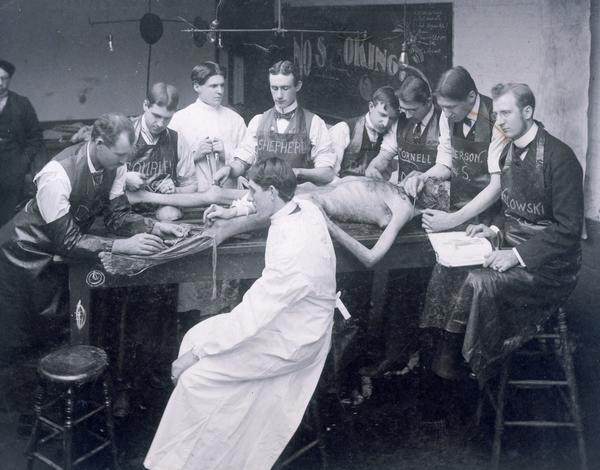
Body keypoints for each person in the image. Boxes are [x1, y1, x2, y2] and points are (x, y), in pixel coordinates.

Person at [144, 158, 337, 470]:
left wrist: (195, 355)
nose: (249, 196)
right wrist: (237, 209)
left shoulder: (293, 251)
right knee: (196, 334)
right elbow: (257, 204)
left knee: (196, 377)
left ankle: (189, 463)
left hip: (296, 339)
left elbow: (252, 317)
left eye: (253, 191)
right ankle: (219, 438)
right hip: (288, 319)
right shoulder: (303, 206)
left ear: (273, 191)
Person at [420, 83, 583, 385]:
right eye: (496, 114)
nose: (500, 121)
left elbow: (569, 230)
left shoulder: (560, 158)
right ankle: (448, 365)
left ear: (528, 112)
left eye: (507, 113)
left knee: (478, 282)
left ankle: (467, 370)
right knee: (448, 270)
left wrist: (517, 255)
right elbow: (509, 205)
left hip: (550, 268)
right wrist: (493, 228)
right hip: (511, 246)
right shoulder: (509, 151)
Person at [0, 113, 185, 365]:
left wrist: (153, 226)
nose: (124, 161)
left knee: (57, 328)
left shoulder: (116, 166)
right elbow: (67, 241)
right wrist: (120, 245)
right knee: (23, 335)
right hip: (21, 253)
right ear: (99, 144)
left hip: (52, 248)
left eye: (127, 155)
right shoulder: (57, 174)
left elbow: (117, 216)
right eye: (120, 155)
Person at [402, 66, 506, 232]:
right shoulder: (447, 115)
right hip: (460, 205)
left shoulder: (498, 119)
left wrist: (452, 220)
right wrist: (423, 177)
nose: (446, 113)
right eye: (442, 107)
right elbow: (445, 163)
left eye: (451, 107)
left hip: (492, 212)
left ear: (471, 96)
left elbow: (497, 187)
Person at [213, 59, 337, 187]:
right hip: (261, 196)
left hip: (298, 195)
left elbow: (327, 174)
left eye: (285, 88)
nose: (279, 95)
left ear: (298, 86)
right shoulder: (258, 121)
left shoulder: (314, 123)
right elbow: (243, 161)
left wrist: (299, 172)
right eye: (274, 88)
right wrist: (229, 169)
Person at [124, 82, 198, 221]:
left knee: (169, 215)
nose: (160, 124)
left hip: (162, 210)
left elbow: (192, 186)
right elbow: (98, 177)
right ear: (145, 105)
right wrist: (124, 178)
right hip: (124, 209)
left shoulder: (178, 140)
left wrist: (176, 190)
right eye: (156, 116)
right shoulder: (124, 133)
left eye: (167, 118)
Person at [168, 62, 247, 191]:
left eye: (222, 85)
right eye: (213, 86)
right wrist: (194, 155)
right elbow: (167, 164)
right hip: (192, 198)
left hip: (228, 198)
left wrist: (225, 154)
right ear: (197, 86)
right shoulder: (179, 119)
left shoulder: (235, 120)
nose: (220, 91)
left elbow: (248, 159)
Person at [366, 74, 442, 184]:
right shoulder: (400, 119)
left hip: (434, 196)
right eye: (403, 109)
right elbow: (384, 155)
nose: (407, 116)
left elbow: (446, 166)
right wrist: (374, 168)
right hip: (404, 194)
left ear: (428, 102)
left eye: (412, 110)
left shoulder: (444, 122)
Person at [0, 59, 46, 226]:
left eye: (4, 78)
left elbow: (35, 138)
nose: (0, 83)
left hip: (12, 171)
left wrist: (22, 162)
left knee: (9, 218)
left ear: (9, 79)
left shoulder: (21, 104)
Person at [329, 86, 400, 178]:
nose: (386, 123)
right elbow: (330, 175)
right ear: (371, 106)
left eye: (391, 118)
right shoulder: (343, 129)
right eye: (382, 115)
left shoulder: (390, 137)